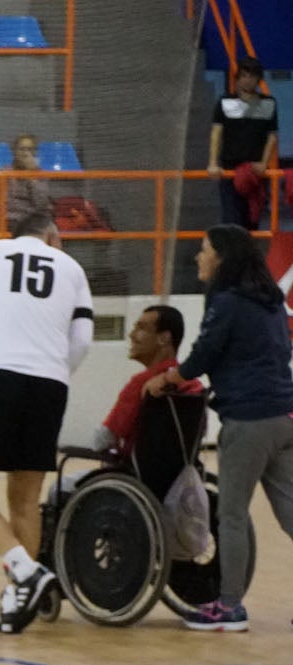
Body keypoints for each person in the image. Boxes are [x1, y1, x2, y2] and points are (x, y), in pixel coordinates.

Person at [0, 210, 93, 633]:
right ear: (51, 235)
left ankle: (27, 574)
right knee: (25, 499)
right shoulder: (73, 268)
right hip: (50, 385)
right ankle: (17, 597)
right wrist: (55, 374)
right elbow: (82, 340)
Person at [144, 225, 293, 631]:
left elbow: (202, 357)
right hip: (284, 417)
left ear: (223, 257)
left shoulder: (226, 301)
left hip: (247, 422)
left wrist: (168, 378)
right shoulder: (271, 300)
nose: (198, 257)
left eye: (204, 250)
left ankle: (229, 608)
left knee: (230, 515)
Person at [84, 306, 199, 466]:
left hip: (133, 473)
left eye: (141, 328)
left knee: (59, 488)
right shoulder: (193, 385)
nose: (131, 335)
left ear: (164, 338)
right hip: (175, 475)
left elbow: (102, 440)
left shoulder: (142, 384)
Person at [208, 58, 278, 230]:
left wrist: (264, 163)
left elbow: (272, 136)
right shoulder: (224, 102)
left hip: (255, 173)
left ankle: (248, 256)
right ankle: (233, 257)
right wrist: (212, 163)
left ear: (259, 78)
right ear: (238, 77)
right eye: (244, 75)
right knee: (231, 221)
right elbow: (216, 133)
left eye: (252, 76)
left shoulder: (269, 103)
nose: (248, 80)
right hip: (230, 172)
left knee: (252, 221)